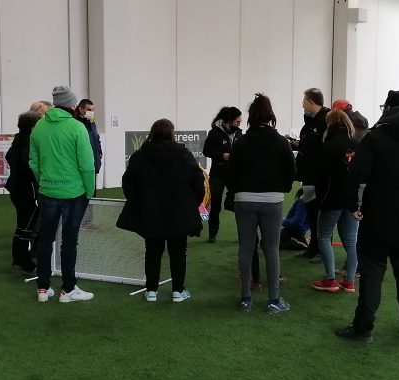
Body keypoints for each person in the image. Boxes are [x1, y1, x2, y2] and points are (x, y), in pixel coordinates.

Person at [336, 90, 399, 343]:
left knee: (372, 272)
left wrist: (352, 204)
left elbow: (357, 174)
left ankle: (363, 327)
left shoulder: (375, 137)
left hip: (378, 215)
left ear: (388, 108)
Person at [117, 118, 206, 302]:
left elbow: (128, 184)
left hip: (150, 213)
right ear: (171, 133)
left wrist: (139, 202)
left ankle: (151, 291)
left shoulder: (139, 156)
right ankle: (178, 291)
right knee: (178, 252)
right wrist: (191, 204)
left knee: (152, 251)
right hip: (179, 212)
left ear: (152, 133)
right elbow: (199, 183)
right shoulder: (184, 155)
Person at [227, 93, 295, 314]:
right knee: (271, 249)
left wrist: (238, 191)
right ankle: (273, 300)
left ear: (251, 116)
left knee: (245, 248)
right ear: (270, 114)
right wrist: (281, 188)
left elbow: (231, 172)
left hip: (244, 199)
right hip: (272, 200)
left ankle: (245, 298)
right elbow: (291, 171)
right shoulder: (281, 142)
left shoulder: (241, 142)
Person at [30, 85, 97, 303]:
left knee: (45, 239)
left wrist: (44, 182)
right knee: (69, 242)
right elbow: (86, 164)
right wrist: (89, 190)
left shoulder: (39, 127)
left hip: (47, 191)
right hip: (74, 194)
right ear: (72, 104)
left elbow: (34, 162)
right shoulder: (77, 127)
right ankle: (68, 289)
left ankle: (43, 288)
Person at [311, 109, 360, 294]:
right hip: (352, 199)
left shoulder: (328, 146)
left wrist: (319, 198)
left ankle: (330, 279)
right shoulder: (356, 145)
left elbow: (321, 176)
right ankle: (349, 281)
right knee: (351, 240)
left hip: (331, 198)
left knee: (323, 236)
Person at [294, 87, 330, 260]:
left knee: (320, 214)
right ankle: (314, 247)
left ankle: (321, 250)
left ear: (311, 102)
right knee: (311, 211)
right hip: (308, 176)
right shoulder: (311, 121)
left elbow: (322, 148)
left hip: (320, 177)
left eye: (304, 102)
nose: (302, 105)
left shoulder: (326, 120)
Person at [5, 111, 40, 278]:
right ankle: (26, 264)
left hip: (16, 188)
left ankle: (18, 258)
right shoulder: (28, 144)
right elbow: (31, 167)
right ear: (33, 126)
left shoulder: (17, 141)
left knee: (22, 225)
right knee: (27, 228)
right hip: (27, 191)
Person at [201, 106, 242, 243]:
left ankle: (243, 233)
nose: (239, 124)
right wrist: (221, 155)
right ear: (229, 121)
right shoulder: (214, 133)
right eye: (237, 122)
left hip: (234, 173)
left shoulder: (239, 133)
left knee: (238, 204)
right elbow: (206, 151)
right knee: (216, 204)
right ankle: (212, 233)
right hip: (218, 173)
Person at [76, 98, 103, 175]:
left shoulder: (91, 121)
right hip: (83, 164)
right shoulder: (76, 122)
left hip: (95, 161)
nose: (91, 112)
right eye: (88, 109)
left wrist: (99, 151)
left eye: (92, 110)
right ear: (80, 108)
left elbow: (96, 138)